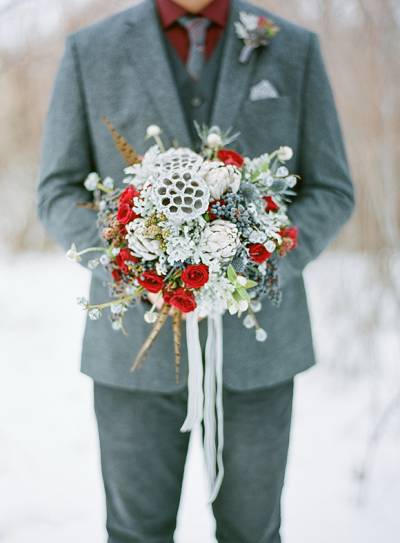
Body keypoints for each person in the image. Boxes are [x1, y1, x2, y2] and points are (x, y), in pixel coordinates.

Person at [37, 0, 355, 541]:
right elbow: (58, 191)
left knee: (253, 533)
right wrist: (135, 256)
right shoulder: (91, 49)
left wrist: (255, 257)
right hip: (131, 360)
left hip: (261, 358)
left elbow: (331, 189)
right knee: (135, 533)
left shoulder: (292, 46)